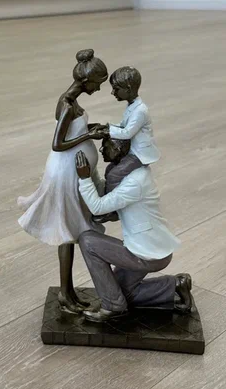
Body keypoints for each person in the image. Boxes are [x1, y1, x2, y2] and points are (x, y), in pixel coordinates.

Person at [18, 49, 109, 313]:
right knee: (67, 231)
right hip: (64, 172)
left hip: (72, 170)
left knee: (69, 231)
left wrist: (90, 129)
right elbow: (58, 144)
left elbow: (71, 132)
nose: (98, 89)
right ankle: (65, 293)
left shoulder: (73, 102)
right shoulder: (67, 104)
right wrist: (88, 137)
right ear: (86, 81)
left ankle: (67, 291)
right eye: (97, 84)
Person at [74, 137, 191, 323]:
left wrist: (84, 178)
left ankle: (112, 306)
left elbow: (97, 207)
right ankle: (176, 284)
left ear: (118, 149)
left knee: (87, 241)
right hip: (151, 246)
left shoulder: (133, 183)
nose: (102, 150)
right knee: (119, 291)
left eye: (106, 146)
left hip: (148, 253)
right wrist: (92, 173)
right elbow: (109, 196)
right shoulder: (132, 173)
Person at [106, 67, 160, 177]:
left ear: (128, 89)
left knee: (113, 175)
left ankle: (118, 189)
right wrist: (107, 127)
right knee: (110, 169)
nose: (112, 92)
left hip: (139, 153)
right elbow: (124, 125)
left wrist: (107, 131)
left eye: (116, 89)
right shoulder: (132, 105)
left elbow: (127, 133)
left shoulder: (140, 111)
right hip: (132, 149)